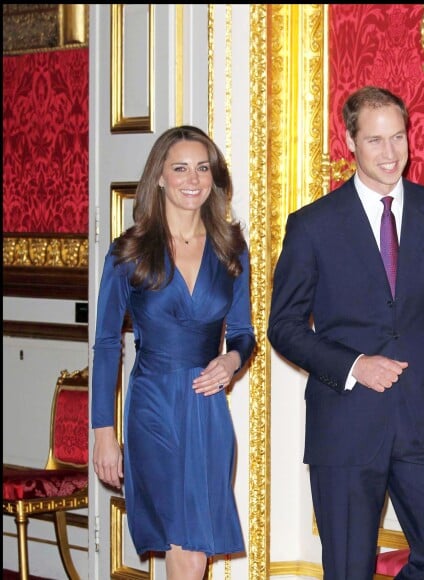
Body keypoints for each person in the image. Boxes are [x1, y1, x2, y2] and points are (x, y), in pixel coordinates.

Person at [268, 86, 424, 580]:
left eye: (398, 137)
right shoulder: (312, 226)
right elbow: (282, 327)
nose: (390, 154)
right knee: (348, 570)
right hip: (345, 423)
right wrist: (353, 365)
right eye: (375, 141)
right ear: (350, 142)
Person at [91, 125, 256, 580]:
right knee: (185, 540)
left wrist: (230, 361)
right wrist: (103, 432)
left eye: (202, 168)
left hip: (208, 410)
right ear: (159, 177)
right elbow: (106, 344)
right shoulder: (130, 252)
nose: (193, 178)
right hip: (154, 408)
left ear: (213, 177)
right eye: (180, 168)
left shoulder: (230, 249)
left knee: (195, 543)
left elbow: (244, 334)